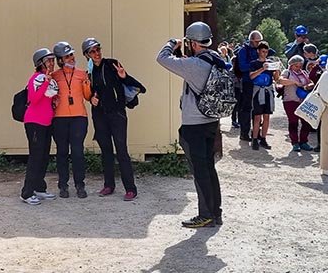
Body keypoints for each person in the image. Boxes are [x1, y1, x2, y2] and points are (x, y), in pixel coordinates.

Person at [156, 22, 223, 228]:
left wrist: (172, 43)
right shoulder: (216, 59)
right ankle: (215, 213)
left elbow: (162, 58)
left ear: (193, 42)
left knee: (200, 171)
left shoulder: (194, 65)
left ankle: (205, 215)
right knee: (209, 169)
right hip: (212, 121)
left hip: (194, 124)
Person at [82, 38, 144, 201]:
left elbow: (129, 83)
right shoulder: (88, 73)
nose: (97, 53)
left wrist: (124, 77)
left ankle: (131, 188)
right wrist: (91, 100)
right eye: (93, 51)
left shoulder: (112, 64)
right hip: (100, 115)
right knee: (106, 151)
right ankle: (109, 185)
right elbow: (88, 92)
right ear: (87, 55)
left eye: (98, 49)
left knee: (122, 151)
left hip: (117, 114)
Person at [52, 41, 92, 198]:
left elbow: (88, 97)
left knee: (77, 152)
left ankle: (80, 185)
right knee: (62, 152)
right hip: (59, 119)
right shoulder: (54, 76)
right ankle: (63, 185)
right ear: (60, 59)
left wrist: (88, 84)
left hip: (78, 118)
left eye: (72, 55)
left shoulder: (82, 74)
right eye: (67, 56)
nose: (71, 58)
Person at [20, 48, 59, 205]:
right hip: (34, 123)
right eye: (48, 60)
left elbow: (48, 98)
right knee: (35, 157)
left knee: (43, 156)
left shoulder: (47, 78)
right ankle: (26, 192)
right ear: (40, 63)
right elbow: (34, 98)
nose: (52, 63)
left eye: (52, 60)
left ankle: (39, 187)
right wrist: (47, 82)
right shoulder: (37, 78)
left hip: (46, 123)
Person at [278, 55, 314, 152]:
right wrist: (294, 82)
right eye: (296, 66)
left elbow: (311, 82)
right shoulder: (287, 72)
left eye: (300, 66)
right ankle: (295, 142)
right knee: (293, 122)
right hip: (290, 100)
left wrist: (308, 86)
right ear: (291, 65)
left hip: (303, 101)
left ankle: (303, 141)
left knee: (306, 121)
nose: (298, 68)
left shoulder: (304, 73)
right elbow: (281, 80)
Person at [235, 30, 265, 142]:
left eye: (260, 41)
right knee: (246, 108)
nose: (258, 43)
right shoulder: (243, 51)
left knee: (258, 109)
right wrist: (257, 65)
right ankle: (244, 132)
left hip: (259, 83)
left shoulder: (260, 50)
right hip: (248, 82)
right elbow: (243, 67)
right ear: (251, 40)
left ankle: (255, 133)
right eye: (257, 41)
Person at [249, 41, 279, 150]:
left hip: (268, 91)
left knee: (267, 116)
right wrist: (263, 68)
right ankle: (255, 139)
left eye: (266, 52)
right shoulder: (253, 63)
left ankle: (263, 138)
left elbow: (276, 79)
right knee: (257, 117)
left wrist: (276, 71)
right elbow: (251, 76)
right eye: (263, 51)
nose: (264, 54)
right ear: (258, 51)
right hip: (258, 91)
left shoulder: (270, 62)